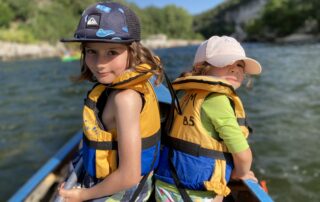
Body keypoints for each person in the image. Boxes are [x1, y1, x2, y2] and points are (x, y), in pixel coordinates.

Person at [58, 2, 164, 201]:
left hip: (124, 191)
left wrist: (83, 195)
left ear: (133, 51)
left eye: (112, 52)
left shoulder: (126, 99)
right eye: (91, 52)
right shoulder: (121, 83)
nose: (99, 64)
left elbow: (129, 175)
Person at [155, 35, 262, 202]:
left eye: (240, 65)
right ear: (201, 68)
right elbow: (243, 155)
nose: (235, 69)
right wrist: (239, 174)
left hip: (166, 185)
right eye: (226, 63)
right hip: (197, 193)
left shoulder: (186, 94)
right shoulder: (217, 100)